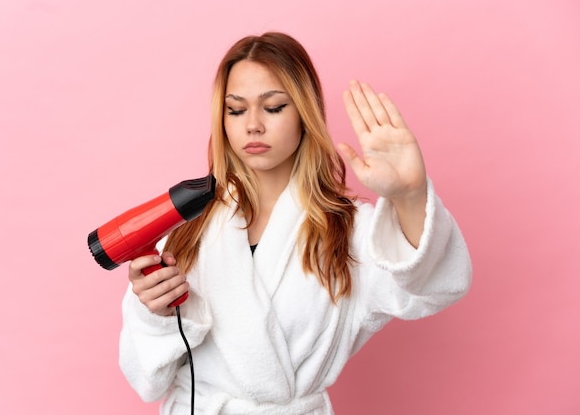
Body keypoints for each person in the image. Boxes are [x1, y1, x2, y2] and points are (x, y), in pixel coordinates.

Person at [119, 31, 472, 414]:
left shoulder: (351, 233)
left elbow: (436, 287)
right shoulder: (187, 230)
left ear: (304, 113)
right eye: (235, 110)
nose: (252, 125)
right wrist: (153, 315)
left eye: (273, 107)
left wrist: (410, 196)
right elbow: (146, 381)